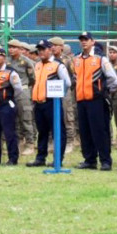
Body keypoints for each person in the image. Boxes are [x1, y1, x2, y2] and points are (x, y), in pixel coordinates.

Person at [75, 31, 117, 171]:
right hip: (81, 100)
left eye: (86, 39)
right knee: (85, 132)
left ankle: (105, 161)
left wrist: (104, 93)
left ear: (92, 41)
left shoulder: (101, 59)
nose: (83, 42)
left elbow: (114, 80)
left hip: (96, 101)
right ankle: (89, 160)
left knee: (100, 132)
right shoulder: (77, 59)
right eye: (82, 40)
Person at [27, 39, 72, 167]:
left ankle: (58, 159)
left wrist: (58, 95)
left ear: (50, 50)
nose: (41, 52)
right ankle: (40, 158)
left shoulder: (58, 65)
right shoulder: (38, 65)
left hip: (52, 103)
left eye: (43, 49)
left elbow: (67, 82)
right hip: (39, 103)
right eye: (39, 50)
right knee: (42, 132)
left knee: (57, 131)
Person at [0, 47, 24, 165]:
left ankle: (13, 158)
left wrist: (9, 99)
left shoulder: (11, 72)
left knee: (9, 133)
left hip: (6, 106)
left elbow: (18, 89)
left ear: (4, 57)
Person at [7, 40, 37, 157]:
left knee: (26, 118)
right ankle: (19, 142)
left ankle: (30, 143)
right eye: (10, 47)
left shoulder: (26, 62)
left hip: (24, 92)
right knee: (14, 119)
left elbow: (32, 78)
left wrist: (26, 89)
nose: (11, 49)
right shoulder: (7, 61)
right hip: (11, 92)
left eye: (14, 47)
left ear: (20, 49)